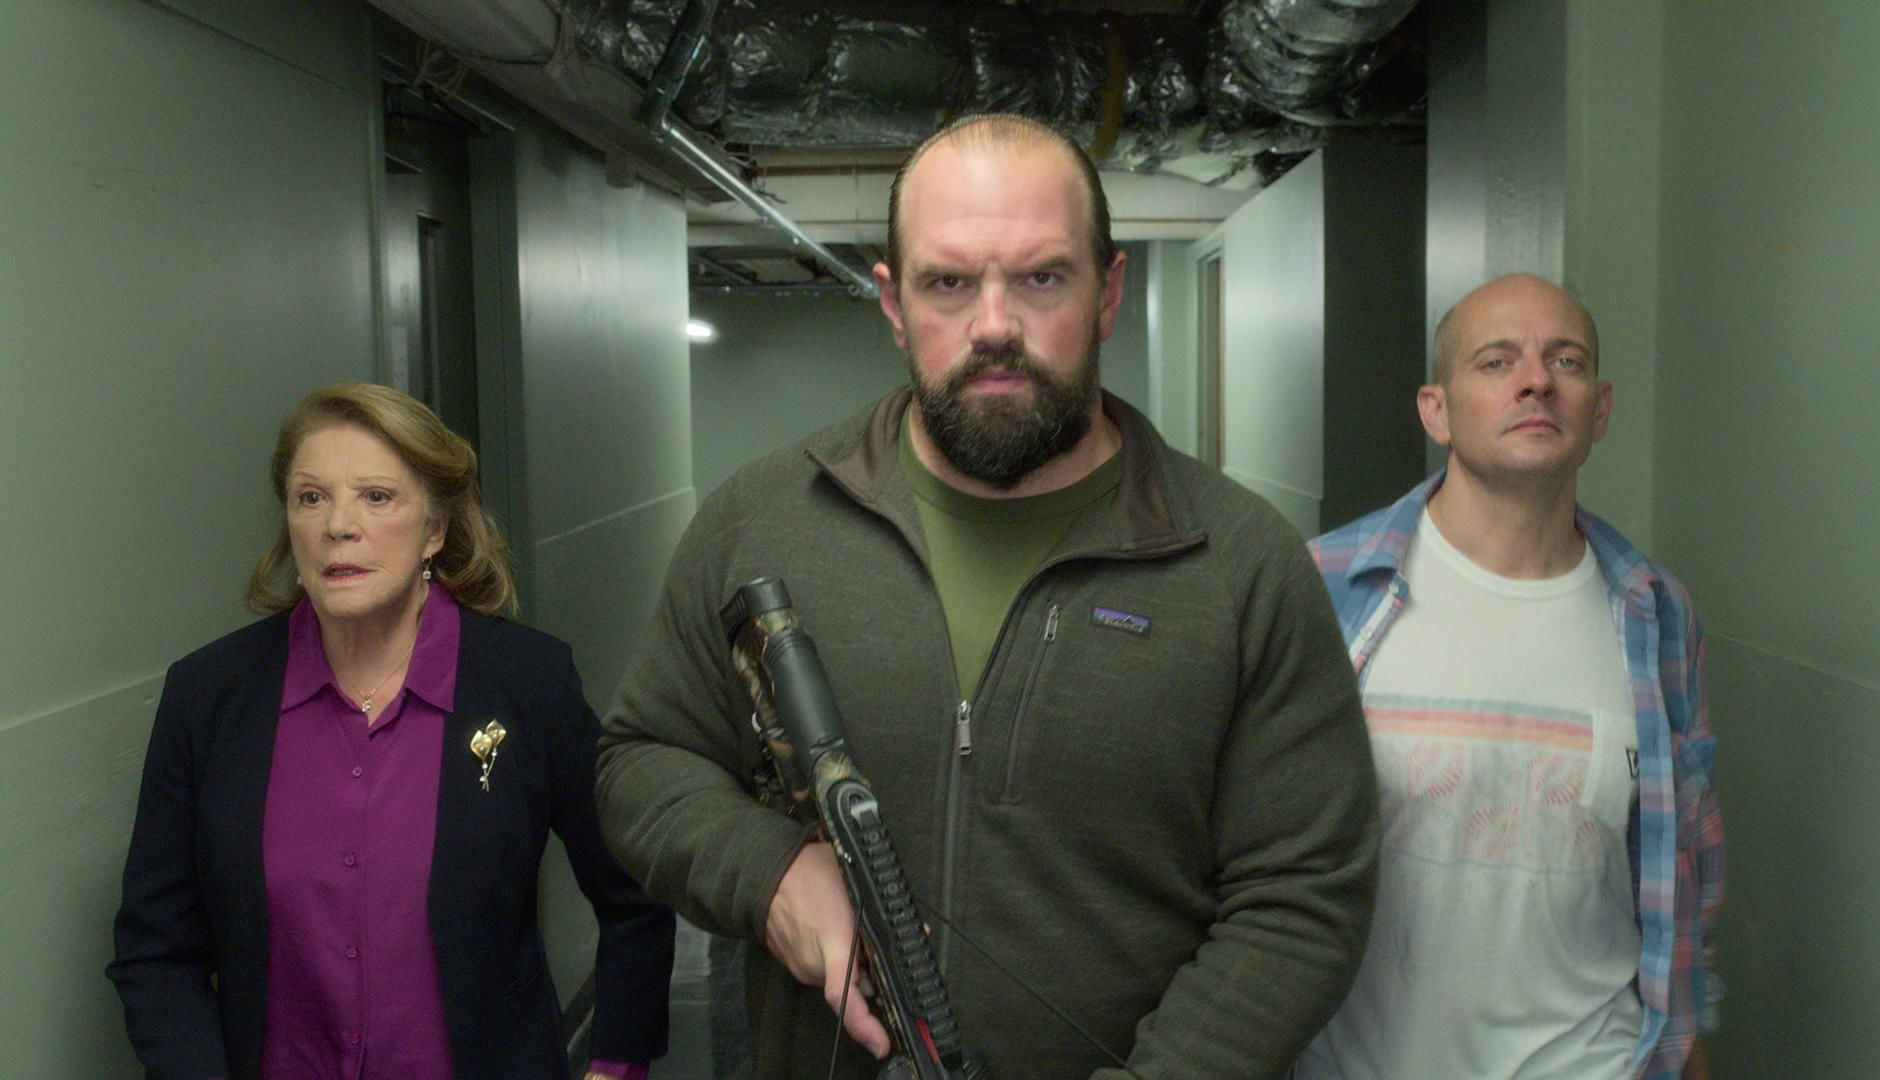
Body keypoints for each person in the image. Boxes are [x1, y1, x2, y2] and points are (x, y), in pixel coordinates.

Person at [595, 113, 1378, 1079]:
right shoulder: (759, 520)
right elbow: (642, 761)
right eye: (949, 283)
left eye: (1042, 277)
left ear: (1108, 292)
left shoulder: (1243, 567)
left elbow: (1303, 897)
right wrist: (770, 874)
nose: (996, 325)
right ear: (892, 302)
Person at [108, 383, 674, 1080]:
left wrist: (615, 1065)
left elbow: (633, 891)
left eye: (376, 497)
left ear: (435, 530)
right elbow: (155, 948)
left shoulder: (527, 682)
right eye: (311, 498)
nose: (338, 525)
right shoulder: (208, 698)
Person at [1296, 274, 1724, 1080]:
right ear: (1436, 410)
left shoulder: (1657, 614)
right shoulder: (1322, 589)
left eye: (1567, 360)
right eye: (1496, 362)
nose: (1536, 381)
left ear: (1600, 410)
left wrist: (1690, 1053)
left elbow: (1687, 875)